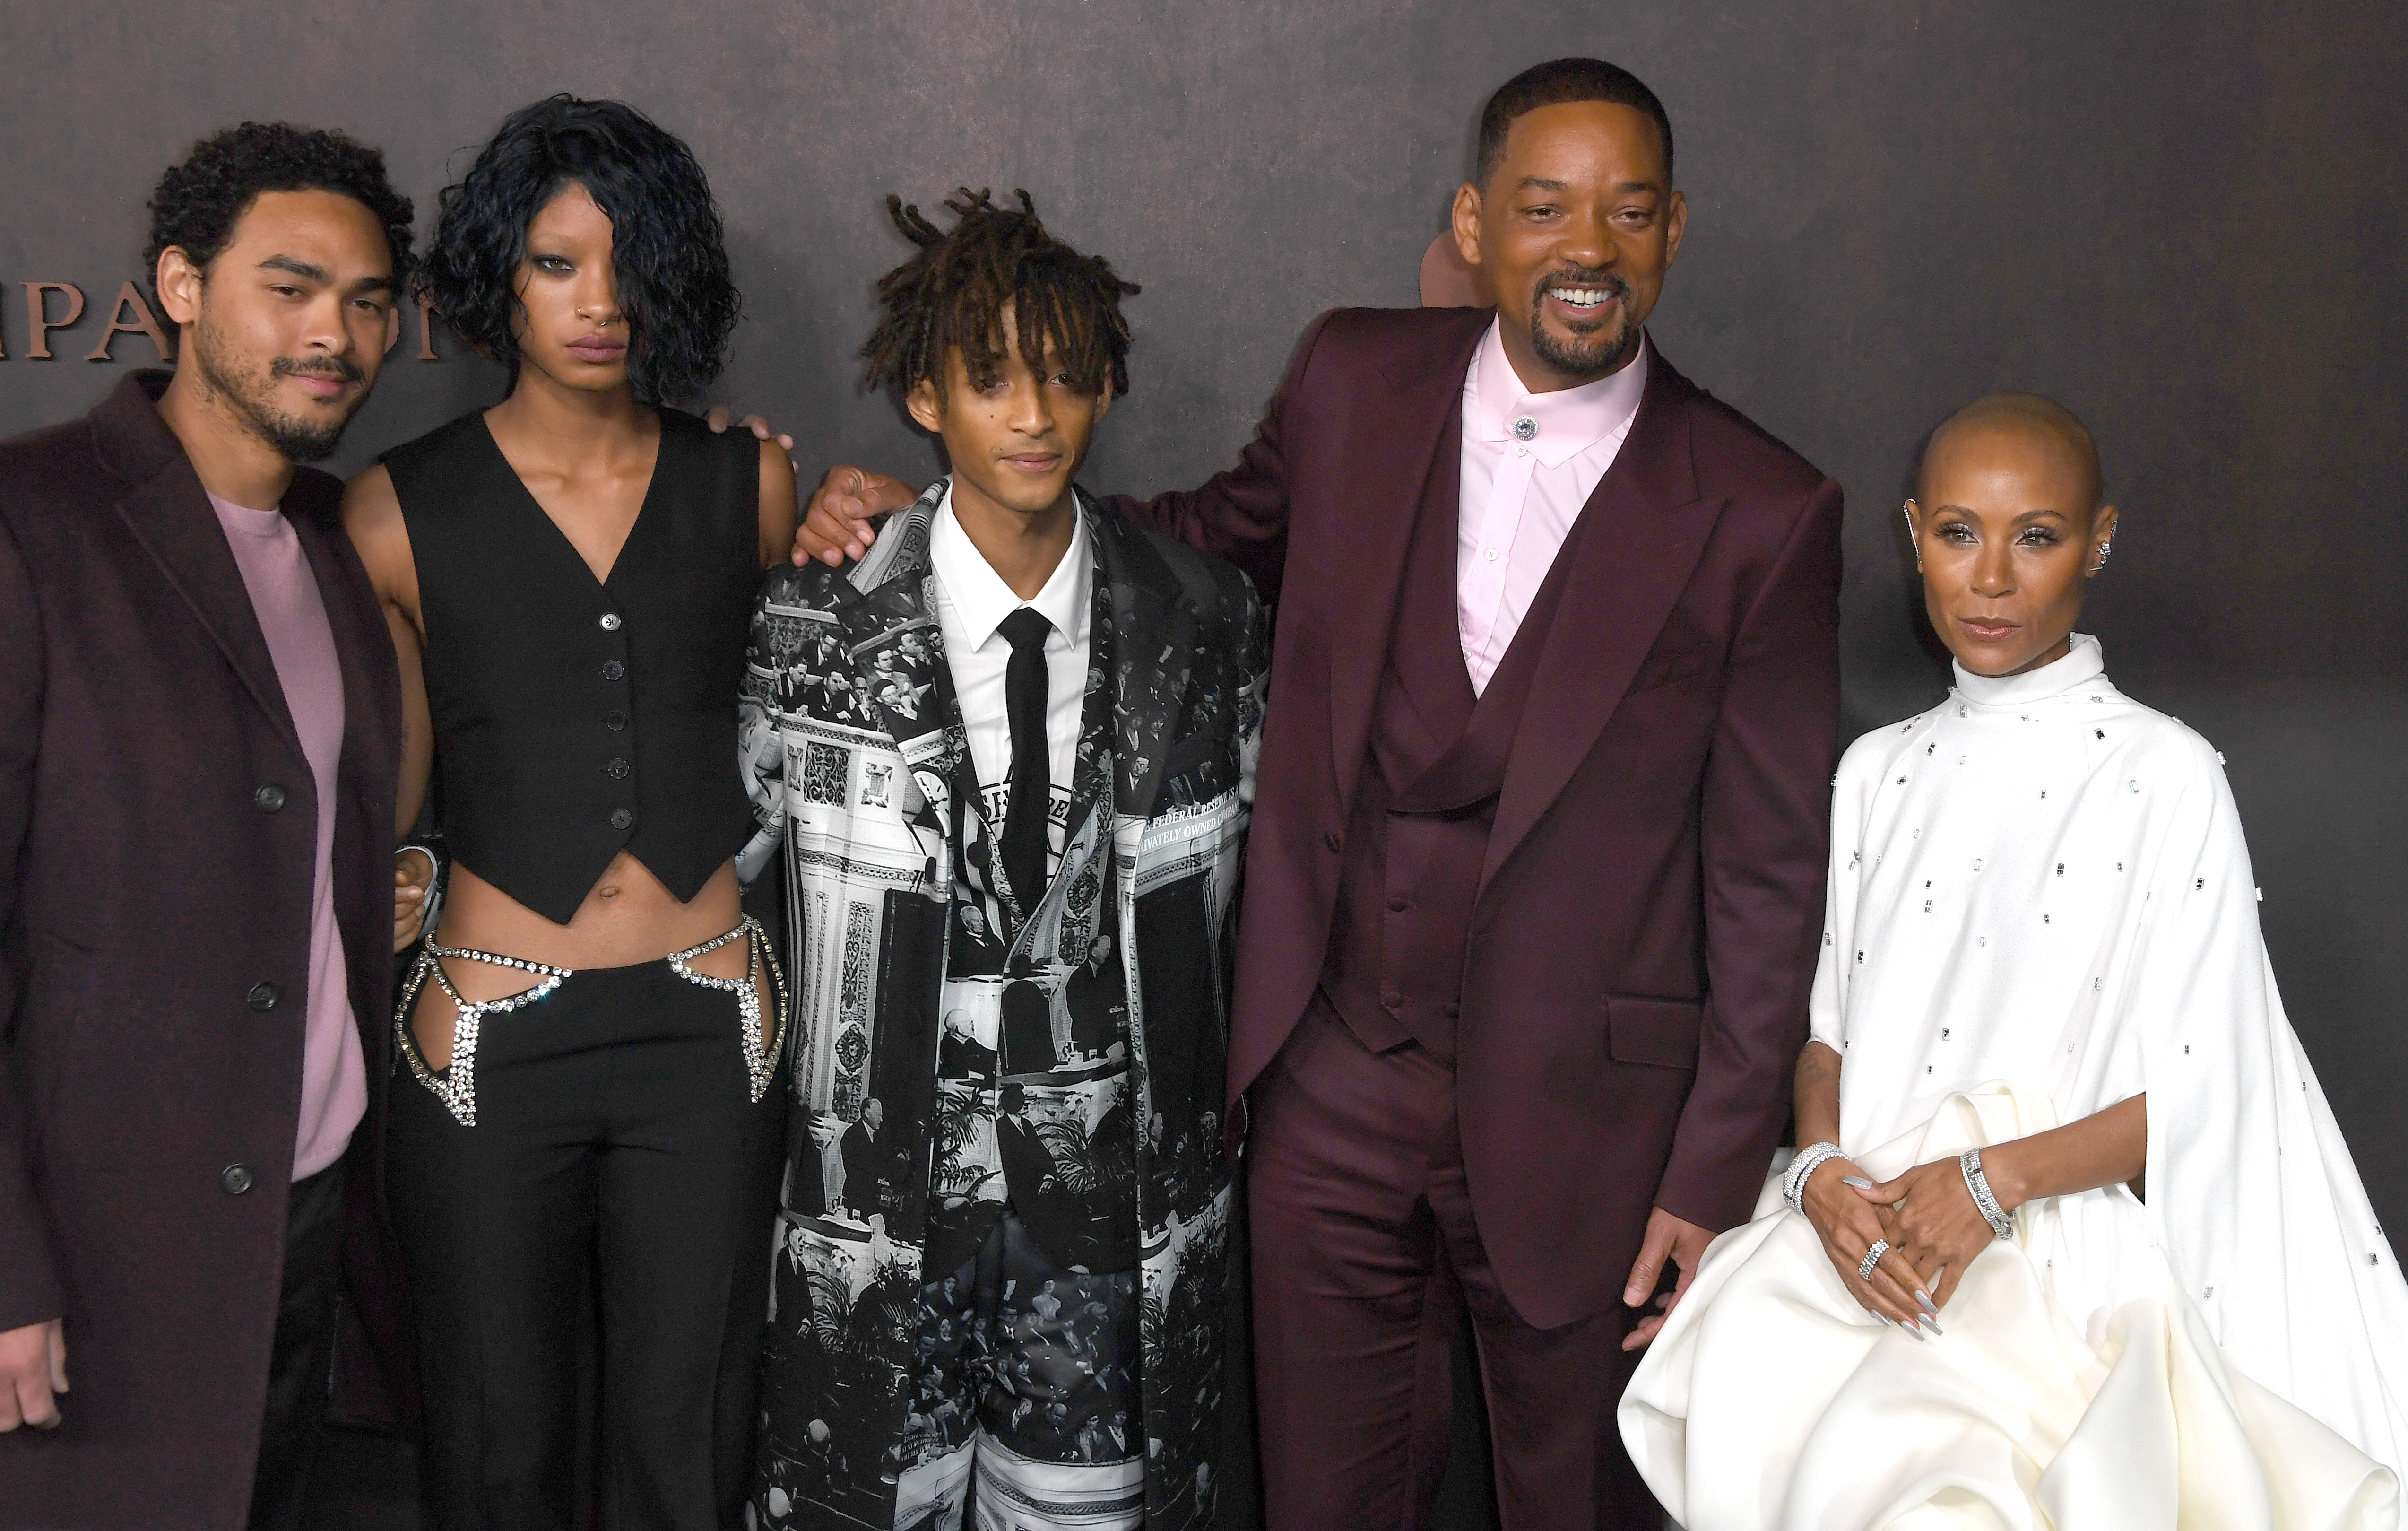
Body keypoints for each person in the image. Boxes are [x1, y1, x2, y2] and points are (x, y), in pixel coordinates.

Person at [790, 60, 1841, 1530]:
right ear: (1475, 224)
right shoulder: (1354, 375)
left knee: (1579, 1503)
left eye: (1625, 210)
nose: (1584, 246)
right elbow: (1191, 548)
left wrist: (1715, 1163)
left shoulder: (1761, 507)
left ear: (1674, 230)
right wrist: (928, 518)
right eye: (1544, 206)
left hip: (1591, 1123)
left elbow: (1771, 870)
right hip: (1327, 1073)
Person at [1620, 396, 2408, 1528]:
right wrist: (1822, 1173)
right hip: (1869, 1245)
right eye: (1957, 533)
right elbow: (1828, 1028)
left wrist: (1991, 1184)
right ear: (1912, 532)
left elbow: (2213, 1091)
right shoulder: (1875, 769)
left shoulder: (2164, 773)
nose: (1990, 578)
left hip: (2059, 1270)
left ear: (2098, 539)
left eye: (2034, 536)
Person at [742, 188, 1265, 1531]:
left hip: (1109, 1222)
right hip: (878, 1213)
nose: (1033, 415)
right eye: (991, 380)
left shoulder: (1200, 619)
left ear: (1105, 390)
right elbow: (739, 874)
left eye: (1066, 377)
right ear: (924, 396)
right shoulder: (812, 621)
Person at [340, 95, 796, 1530]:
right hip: (482, 1030)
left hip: (706, 1031)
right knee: (492, 1440)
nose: (597, 302)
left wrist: (866, 498)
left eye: (626, 261)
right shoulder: (393, 509)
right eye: (554, 263)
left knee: (691, 1435)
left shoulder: (753, 477)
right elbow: (384, 796)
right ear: (500, 279)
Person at [0, 123, 424, 1528]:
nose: (336, 334)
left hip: (305, 1212)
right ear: (180, 285)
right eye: (290, 287)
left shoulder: (328, 540)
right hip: (100, 1244)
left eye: (367, 301)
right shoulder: (30, 519)